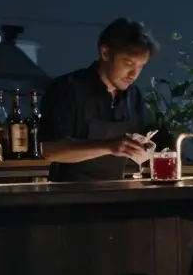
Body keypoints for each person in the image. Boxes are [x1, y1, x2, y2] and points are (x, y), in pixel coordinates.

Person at [39, 18, 159, 181]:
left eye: (140, 66)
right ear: (105, 53)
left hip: (114, 195)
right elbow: (49, 150)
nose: (134, 74)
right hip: (68, 197)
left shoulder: (134, 96)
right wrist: (109, 146)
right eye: (128, 63)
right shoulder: (67, 89)